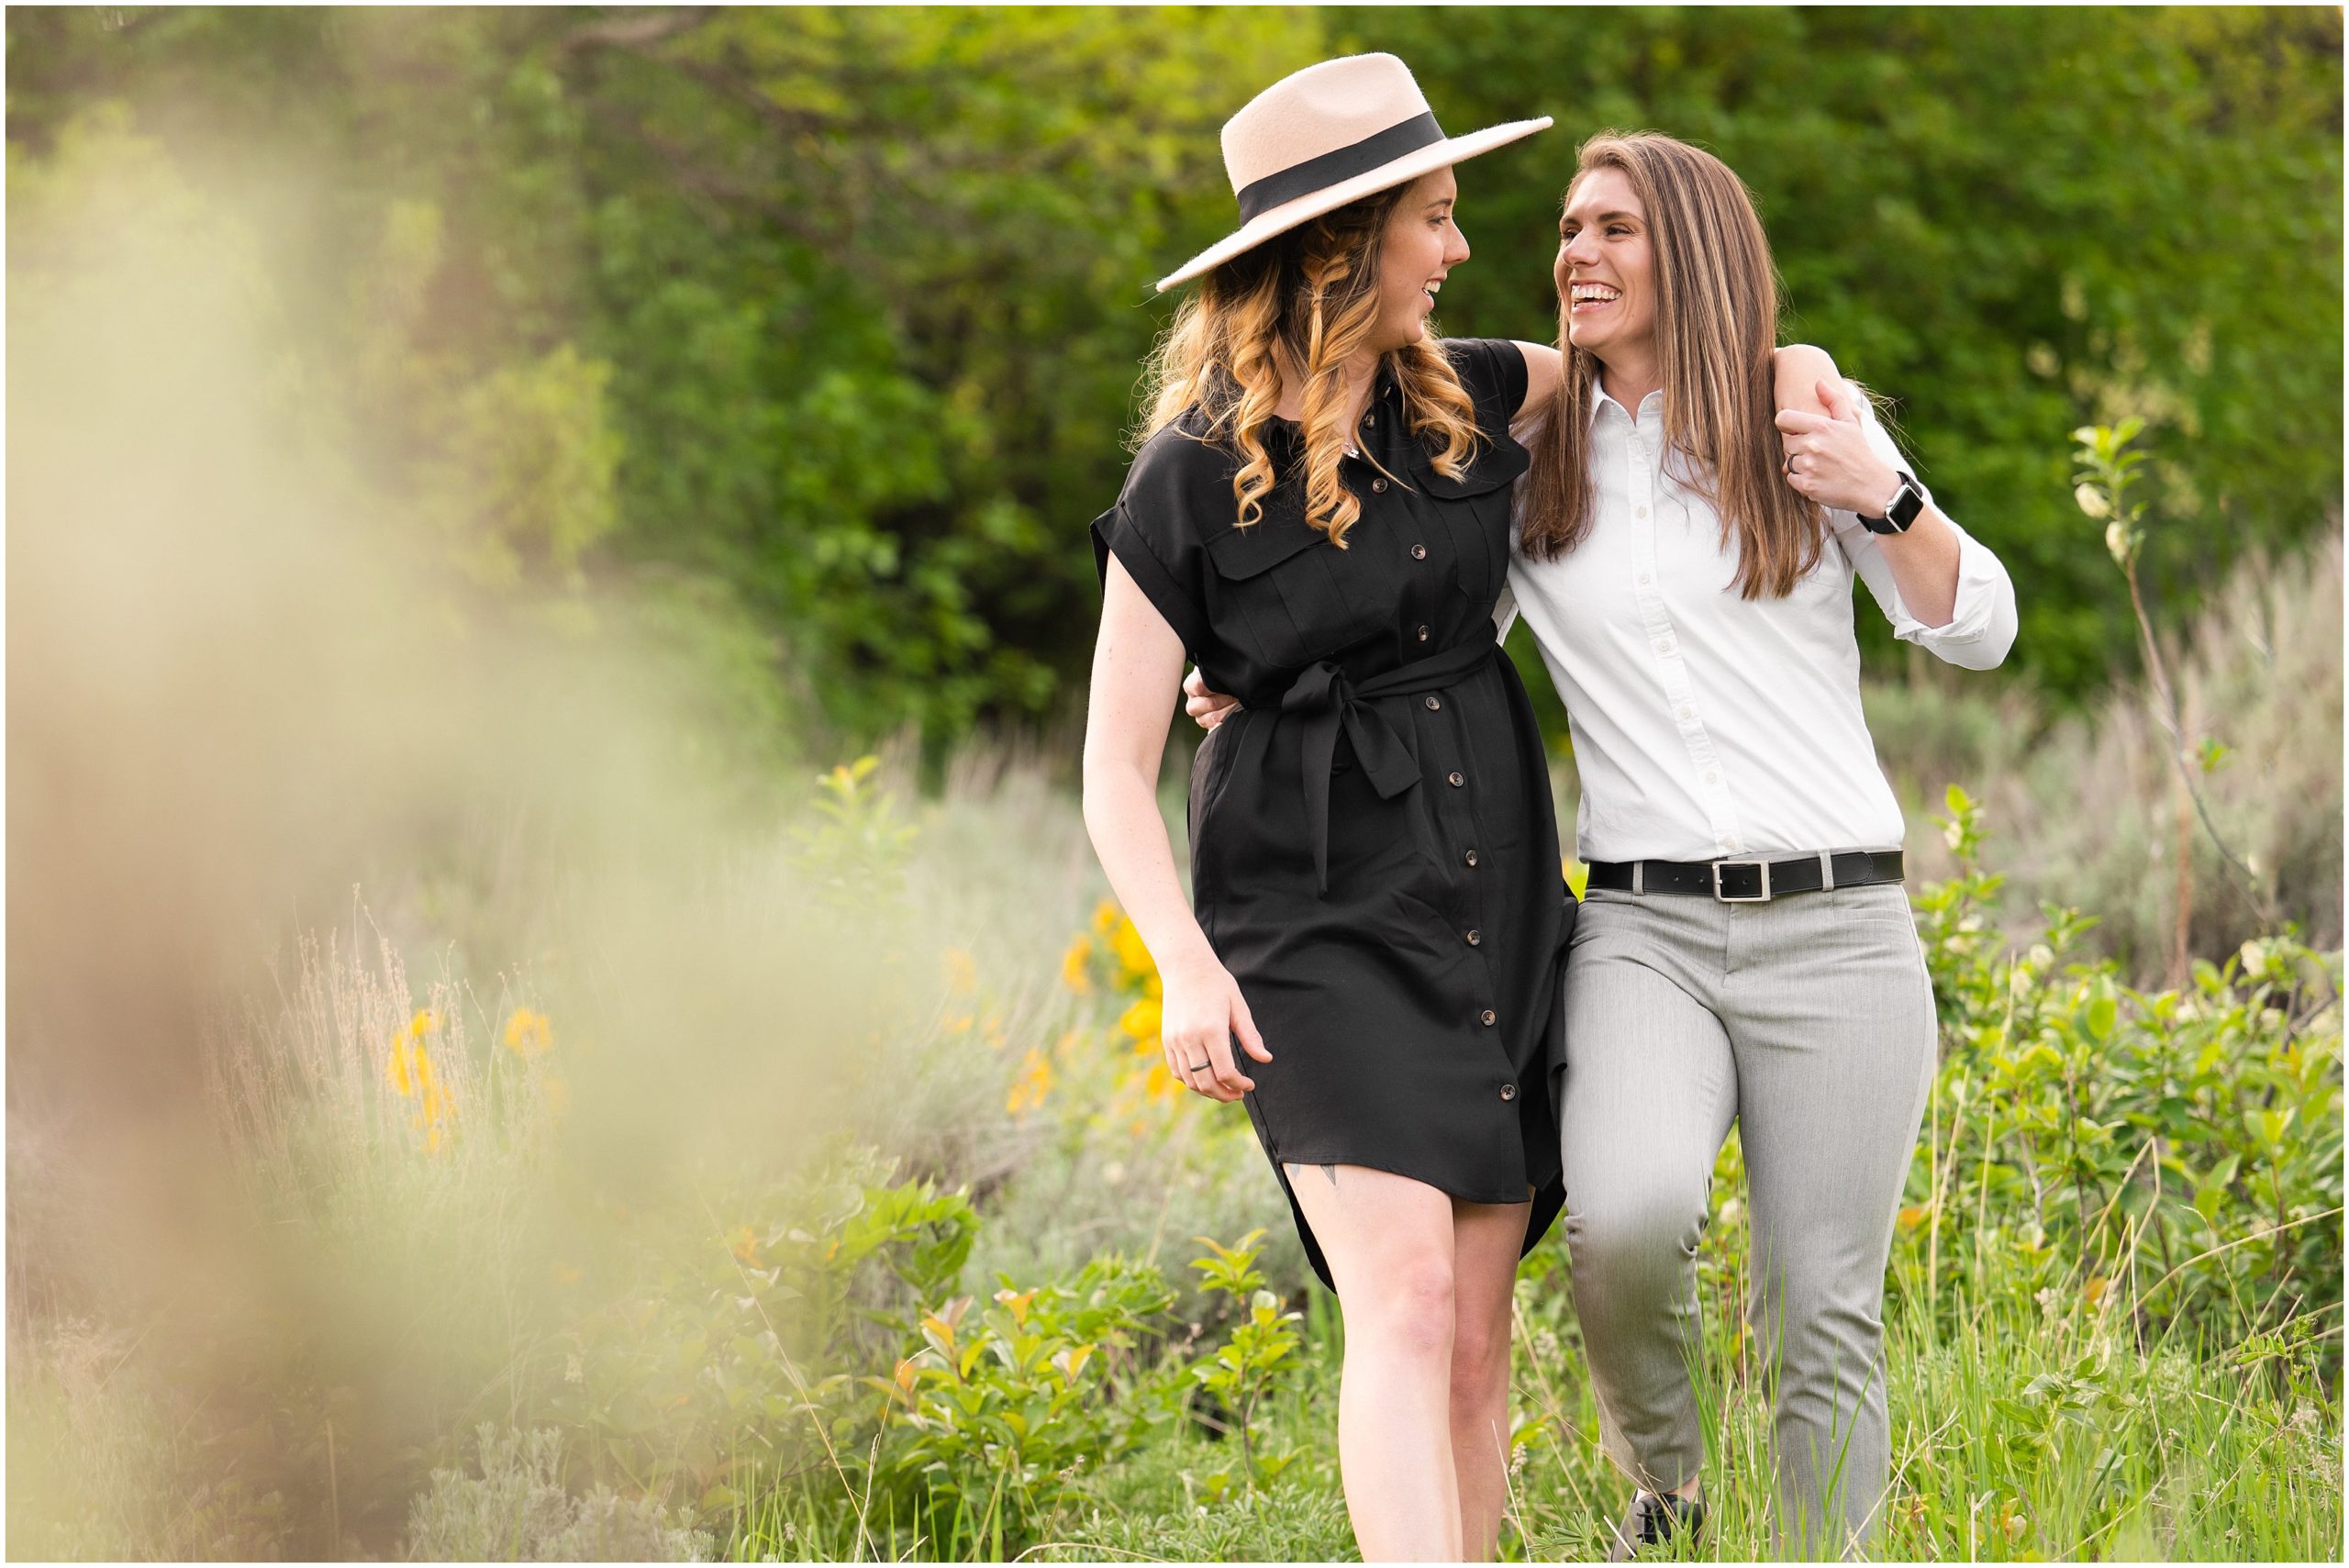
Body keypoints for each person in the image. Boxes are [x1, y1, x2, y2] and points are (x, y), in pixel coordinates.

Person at [1189, 130, 2018, 1558]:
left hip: (1842, 929)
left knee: (1821, 1303)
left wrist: (1885, 484)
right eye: (1568, 230)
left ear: (1689, 250)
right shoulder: (1522, 463)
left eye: (1615, 230)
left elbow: (1981, 625)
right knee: (1621, 1226)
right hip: (1642, 928)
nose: (1575, 253)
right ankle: (1672, 1496)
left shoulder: (1799, 416)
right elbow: (1419, 622)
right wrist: (1256, 668)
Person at [1081, 52, 1568, 1561]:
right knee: (1406, 1299)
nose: (1461, 246)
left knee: (1479, 1337)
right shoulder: (1184, 482)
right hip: (1306, 912)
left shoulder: (1471, 400)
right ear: (1346, 247)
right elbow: (1111, 767)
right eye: (1436, 215)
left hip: (1491, 890)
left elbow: (1643, 357)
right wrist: (1181, 960)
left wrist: (1809, 388)